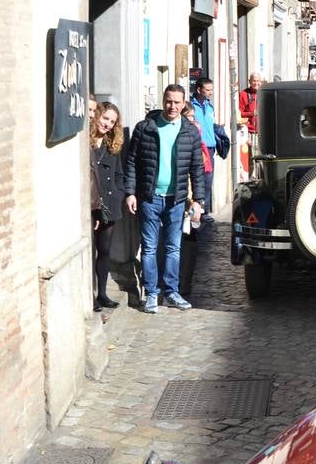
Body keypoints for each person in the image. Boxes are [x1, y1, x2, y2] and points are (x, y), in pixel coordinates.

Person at [124, 84, 208, 313]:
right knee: (149, 248)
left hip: (177, 199)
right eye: (169, 101)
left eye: (177, 102)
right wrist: (130, 192)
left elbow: (197, 168)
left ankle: (171, 292)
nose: (172, 106)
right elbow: (131, 161)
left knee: (173, 248)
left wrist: (199, 200)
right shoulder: (145, 128)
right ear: (163, 101)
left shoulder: (190, 131)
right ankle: (151, 293)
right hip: (149, 197)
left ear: (183, 104)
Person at [89, 101, 125, 313]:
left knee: (104, 251)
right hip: (92, 204)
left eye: (112, 122)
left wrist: (119, 195)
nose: (108, 124)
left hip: (109, 205)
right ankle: (90, 295)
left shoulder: (112, 146)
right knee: (91, 250)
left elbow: (119, 175)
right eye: (105, 118)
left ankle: (102, 293)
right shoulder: (87, 143)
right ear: (97, 116)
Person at [190, 77, 230, 215]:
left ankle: (204, 212)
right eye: (208, 90)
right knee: (197, 180)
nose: (210, 92)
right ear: (199, 90)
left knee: (208, 181)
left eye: (212, 89)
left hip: (210, 149)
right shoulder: (190, 106)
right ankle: (196, 212)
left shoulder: (209, 106)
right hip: (198, 148)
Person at [238, 74, 262, 154]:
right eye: (254, 81)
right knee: (252, 158)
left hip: (263, 132)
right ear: (249, 82)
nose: (256, 83)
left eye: (258, 81)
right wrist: (252, 113)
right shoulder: (243, 94)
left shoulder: (264, 93)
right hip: (249, 132)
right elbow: (239, 114)